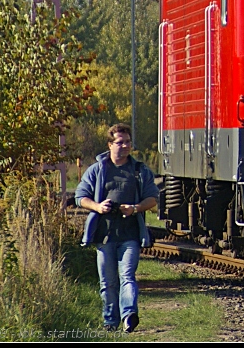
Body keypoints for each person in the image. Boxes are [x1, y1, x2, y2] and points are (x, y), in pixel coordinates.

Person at [76, 124, 159, 333]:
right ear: (110, 144)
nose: (124, 146)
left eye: (127, 142)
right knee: (108, 282)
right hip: (104, 235)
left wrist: (135, 208)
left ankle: (129, 315)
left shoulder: (139, 170)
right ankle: (110, 322)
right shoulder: (97, 170)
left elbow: (152, 198)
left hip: (130, 234)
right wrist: (98, 206)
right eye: (120, 142)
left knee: (128, 275)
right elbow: (80, 197)